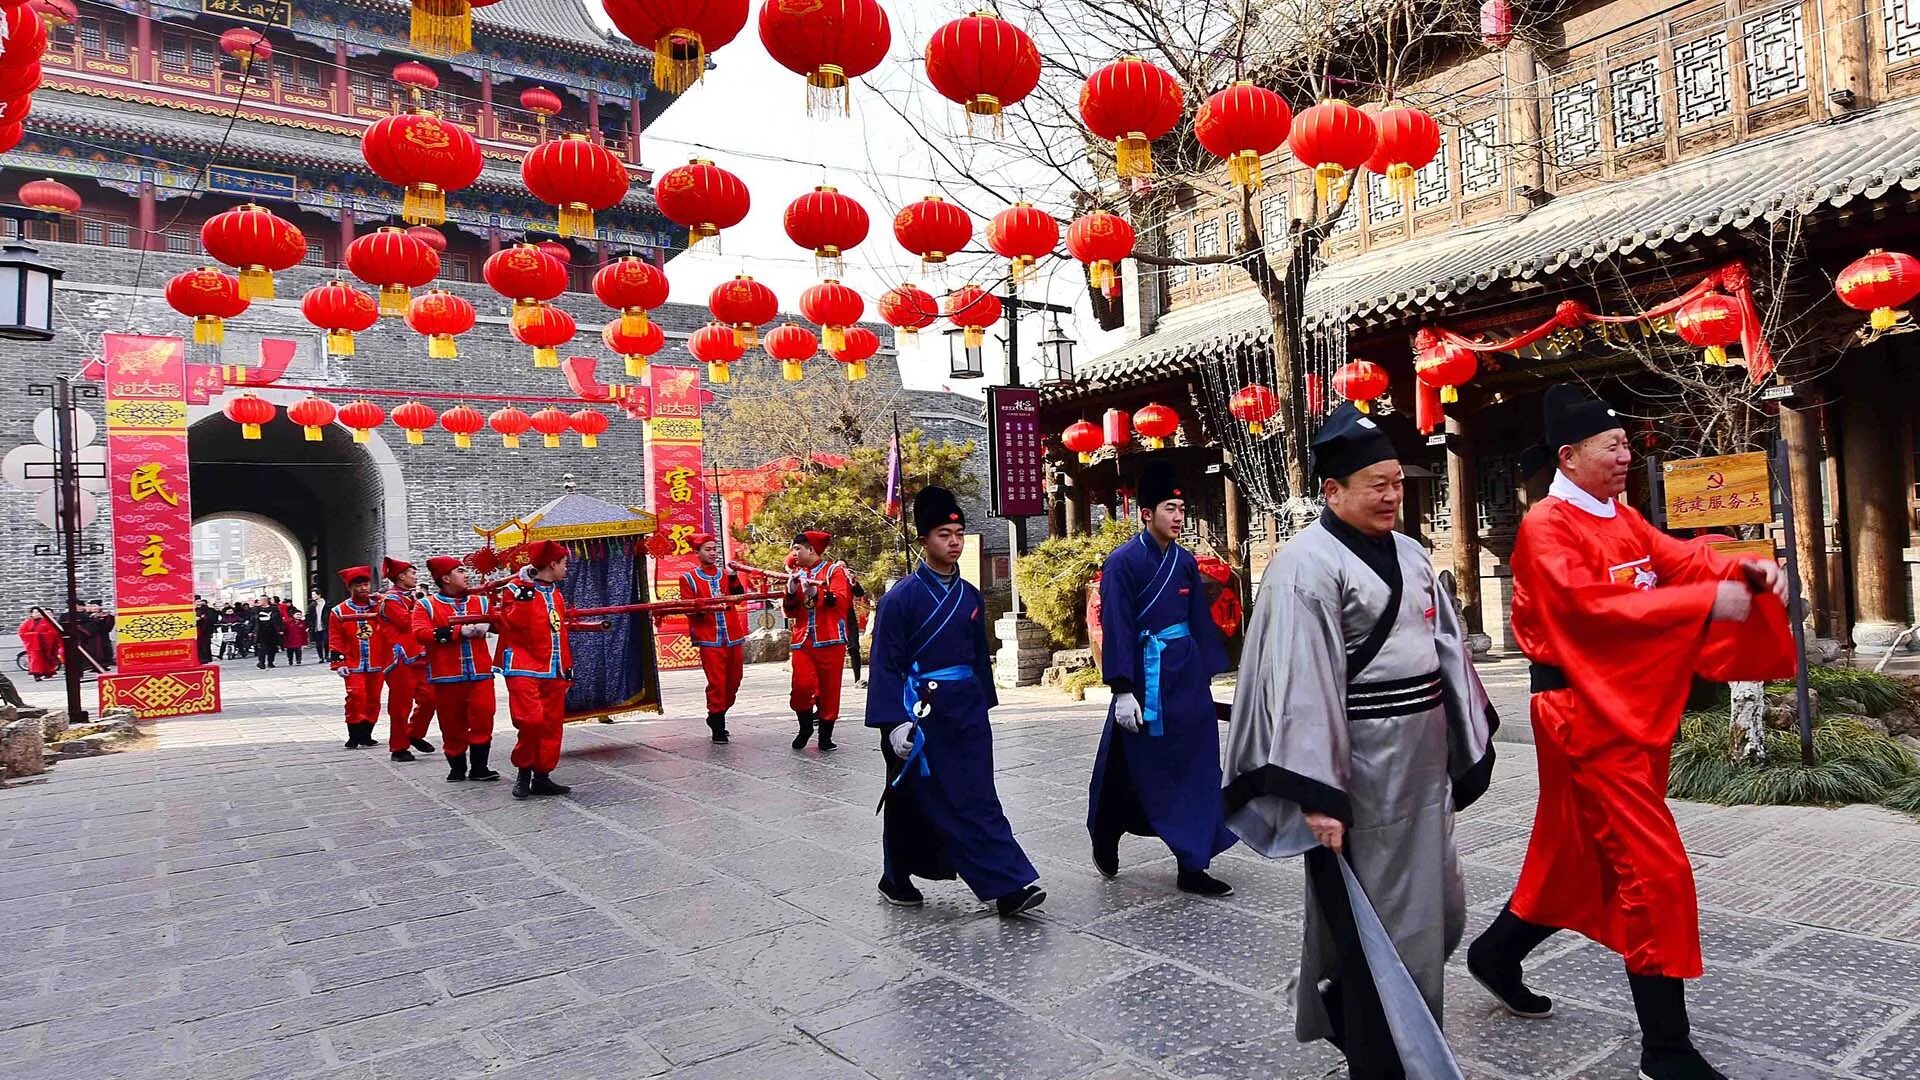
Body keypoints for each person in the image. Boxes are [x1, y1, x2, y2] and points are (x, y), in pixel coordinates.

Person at [1464, 385, 1794, 1080]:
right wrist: (1707, 600)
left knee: (1575, 856)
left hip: (1621, 711)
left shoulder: (1616, 515)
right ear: (1570, 455)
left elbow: (1677, 559)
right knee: (1653, 869)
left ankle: (1495, 953)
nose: (1625, 456)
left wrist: (1745, 564)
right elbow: (1589, 611)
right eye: (1612, 447)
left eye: (1623, 444)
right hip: (1583, 716)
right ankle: (1665, 1050)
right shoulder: (1547, 529)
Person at [1222, 403, 1500, 1077]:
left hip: (1422, 765)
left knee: (1436, 905)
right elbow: (1299, 686)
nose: (1390, 495)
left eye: (1397, 483)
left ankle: (1350, 1004)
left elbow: (1448, 654)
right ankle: (1388, 1055)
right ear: (1332, 491)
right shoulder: (1305, 567)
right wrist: (1318, 794)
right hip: (1358, 773)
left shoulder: (1412, 554)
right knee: (1378, 918)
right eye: (1375, 484)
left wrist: (1464, 746)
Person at [867, 486, 1045, 917]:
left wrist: (983, 704)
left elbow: (975, 657)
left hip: (964, 712)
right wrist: (894, 724)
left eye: (958, 533)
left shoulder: (969, 596)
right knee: (910, 801)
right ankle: (896, 876)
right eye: (944, 533)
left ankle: (1006, 885)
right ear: (923, 539)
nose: (953, 541)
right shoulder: (899, 600)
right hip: (920, 714)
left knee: (977, 797)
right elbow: (886, 666)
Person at [1088, 458, 1238, 896]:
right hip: (1143, 679)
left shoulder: (1185, 562)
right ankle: (1107, 829)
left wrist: (1207, 679)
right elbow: (1117, 625)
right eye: (1169, 508)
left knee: (1196, 766)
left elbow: (1197, 623)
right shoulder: (1122, 563)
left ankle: (1193, 863)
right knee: (1129, 769)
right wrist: (1122, 690)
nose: (1178, 516)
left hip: (1184, 678)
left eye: (1181, 507)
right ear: (1146, 514)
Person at [497, 540, 575, 799]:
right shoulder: (515, 590)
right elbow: (511, 624)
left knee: (552, 725)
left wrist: (566, 665)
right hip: (523, 665)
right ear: (552, 564)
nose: (567, 568)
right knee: (530, 721)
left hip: (554, 667)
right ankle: (523, 772)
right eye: (564, 563)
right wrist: (525, 593)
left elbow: (559, 631)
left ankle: (542, 776)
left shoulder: (555, 592)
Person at [412, 555, 501, 783]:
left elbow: (503, 622)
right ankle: (457, 766)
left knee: (484, 717)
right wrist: (456, 632)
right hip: (446, 676)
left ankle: (480, 767)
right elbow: (420, 633)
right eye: (460, 571)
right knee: (452, 723)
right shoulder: (426, 605)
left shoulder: (480, 602)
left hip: (480, 673)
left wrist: (490, 622)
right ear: (446, 578)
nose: (466, 575)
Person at [783, 529, 854, 752]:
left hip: (830, 638)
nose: (794, 553)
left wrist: (817, 593)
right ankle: (805, 727)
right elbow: (791, 612)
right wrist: (791, 592)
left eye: (797, 549)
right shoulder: (797, 573)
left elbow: (842, 601)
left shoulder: (835, 572)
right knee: (801, 686)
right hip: (803, 640)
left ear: (811, 549)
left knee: (830, 689)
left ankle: (825, 735)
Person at [680, 533, 747, 743]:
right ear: (697, 552)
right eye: (708, 550)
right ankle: (718, 723)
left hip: (733, 635)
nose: (712, 553)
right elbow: (689, 608)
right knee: (717, 682)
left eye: (714, 549)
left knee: (734, 681)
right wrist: (705, 606)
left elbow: (739, 596)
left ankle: (717, 714)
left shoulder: (725, 575)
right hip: (709, 637)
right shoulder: (688, 578)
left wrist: (734, 577)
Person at [379, 557, 437, 762]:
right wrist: (425, 606)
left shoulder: (412, 598)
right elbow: (406, 622)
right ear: (401, 576)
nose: (416, 577)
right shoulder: (391, 600)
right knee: (400, 704)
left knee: (430, 698)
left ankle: (414, 733)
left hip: (419, 656)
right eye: (412, 573)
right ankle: (398, 746)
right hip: (399, 659)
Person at [327, 567, 388, 750]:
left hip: (377, 662)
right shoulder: (339, 611)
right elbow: (335, 637)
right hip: (353, 663)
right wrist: (339, 662)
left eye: (366, 584)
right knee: (356, 696)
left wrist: (385, 600)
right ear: (349, 588)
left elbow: (399, 615)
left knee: (374, 698)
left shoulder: (379, 606)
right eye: (358, 585)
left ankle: (367, 733)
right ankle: (354, 733)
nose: (363, 588)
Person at [18, 609, 61, 681]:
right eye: (36, 612)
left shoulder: (47, 622)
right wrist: (36, 635)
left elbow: (53, 632)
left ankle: (48, 672)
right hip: (34, 645)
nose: (38, 614)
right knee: (35, 659)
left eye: (40, 612)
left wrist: (44, 636)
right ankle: (36, 674)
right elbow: (22, 633)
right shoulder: (26, 623)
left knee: (47, 658)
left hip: (46, 644)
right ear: (32, 614)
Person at [252, 599, 283, 669]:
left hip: (272, 631)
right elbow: (253, 620)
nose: (259, 602)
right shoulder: (256, 610)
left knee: (272, 648)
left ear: (265, 601)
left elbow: (279, 619)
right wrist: (250, 630)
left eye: (260, 600)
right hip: (261, 631)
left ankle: (270, 662)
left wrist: (281, 629)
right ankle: (261, 662)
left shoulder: (274, 609)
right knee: (262, 648)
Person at [281, 601, 307, 665]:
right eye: (297, 615)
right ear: (293, 615)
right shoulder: (287, 622)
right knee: (290, 652)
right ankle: (290, 660)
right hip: (289, 640)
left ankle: (298, 660)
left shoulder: (302, 623)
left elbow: (304, 633)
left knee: (298, 651)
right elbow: (284, 631)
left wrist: (304, 642)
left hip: (298, 640)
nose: (299, 616)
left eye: (300, 615)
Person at [308, 592, 327, 663]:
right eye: (312, 594)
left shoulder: (326, 603)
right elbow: (309, 616)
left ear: (319, 595)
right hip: (316, 626)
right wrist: (310, 625)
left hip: (325, 625)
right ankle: (321, 657)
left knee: (326, 641)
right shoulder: (312, 605)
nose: (313, 596)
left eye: (314, 594)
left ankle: (327, 655)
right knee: (318, 643)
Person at [195, 598, 215, 665]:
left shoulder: (207, 610)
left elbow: (210, 619)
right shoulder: (191, 610)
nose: (199, 603)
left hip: (204, 629)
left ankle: (205, 658)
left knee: (205, 644)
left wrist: (201, 618)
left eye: (199, 601)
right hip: (195, 629)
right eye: (197, 601)